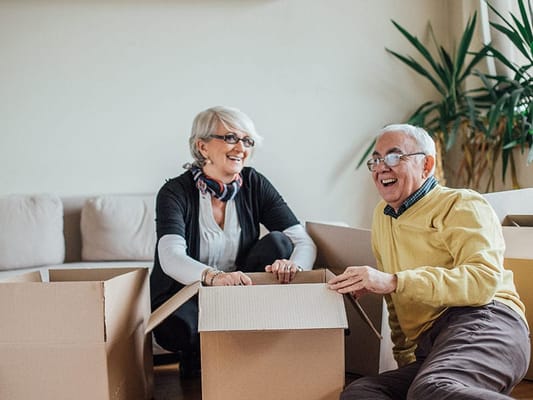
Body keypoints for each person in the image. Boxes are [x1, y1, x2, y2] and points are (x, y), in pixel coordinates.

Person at [328, 124, 530, 399]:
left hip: (488, 322)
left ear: (427, 165)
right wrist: (404, 359)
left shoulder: (462, 204)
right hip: (433, 345)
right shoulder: (383, 216)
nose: (380, 167)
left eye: (394, 157)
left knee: (430, 390)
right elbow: (397, 303)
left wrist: (395, 281)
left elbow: (483, 281)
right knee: (361, 392)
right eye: (375, 160)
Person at [150, 105, 317, 378]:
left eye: (247, 140)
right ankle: (197, 356)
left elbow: (302, 241)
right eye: (230, 138)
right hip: (189, 292)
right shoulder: (175, 192)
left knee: (279, 244)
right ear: (202, 147)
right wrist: (212, 277)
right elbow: (169, 255)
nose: (241, 147)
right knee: (181, 330)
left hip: (240, 291)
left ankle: (248, 348)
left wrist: (294, 268)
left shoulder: (254, 183)